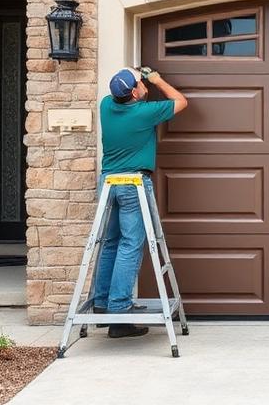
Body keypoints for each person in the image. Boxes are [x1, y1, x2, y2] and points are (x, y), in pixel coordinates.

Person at [93, 66, 187, 338]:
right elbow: (181, 102)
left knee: (110, 242)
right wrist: (157, 79)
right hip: (133, 184)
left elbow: (123, 86)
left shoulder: (106, 105)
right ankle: (120, 312)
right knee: (130, 243)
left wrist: (135, 76)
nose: (143, 83)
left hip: (109, 183)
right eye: (139, 82)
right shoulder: (143, 112)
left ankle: (102, 303)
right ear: (134, 92)